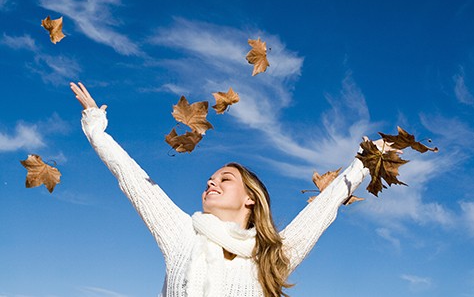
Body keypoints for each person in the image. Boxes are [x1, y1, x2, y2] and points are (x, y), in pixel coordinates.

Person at [70, 81, 379, 297]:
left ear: (250, 200)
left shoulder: (271, 255)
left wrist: (364, 163)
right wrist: (96, 128)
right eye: (211, 178)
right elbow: (134, 180)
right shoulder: (183, 234)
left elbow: (324, 208)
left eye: (225, 178)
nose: (211, 181)